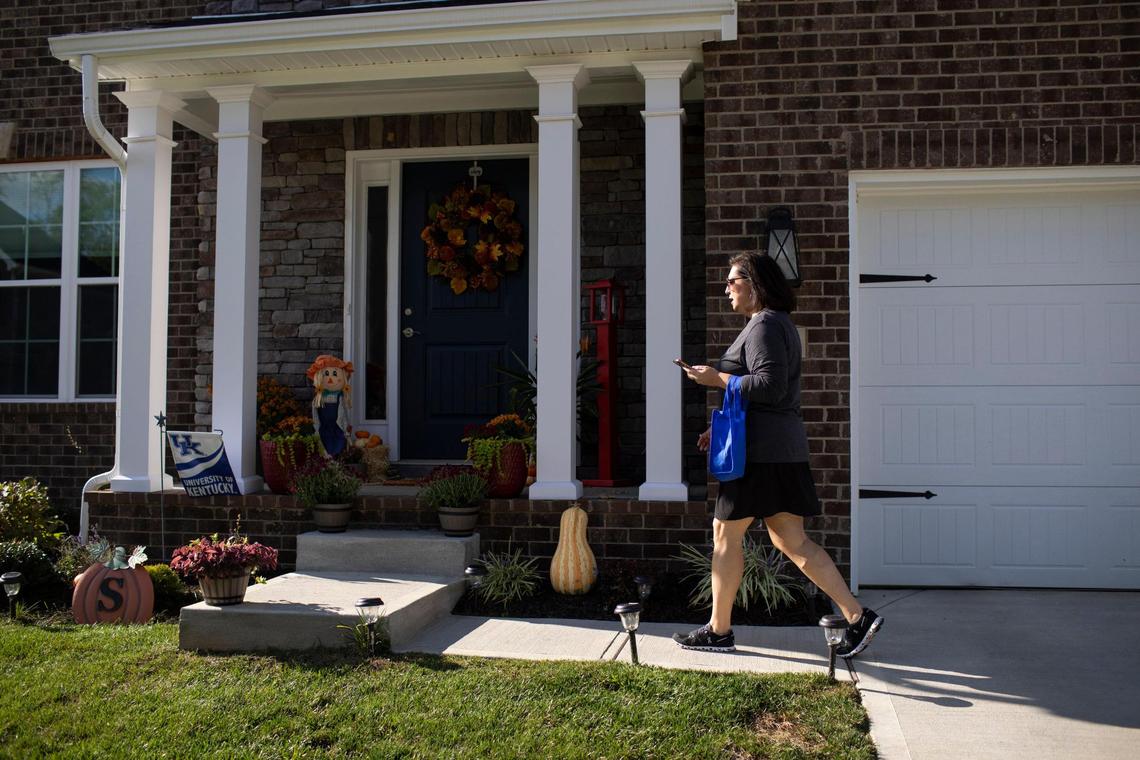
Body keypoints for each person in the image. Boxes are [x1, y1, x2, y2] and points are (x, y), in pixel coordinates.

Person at [672, 252, 883, 658]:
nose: (727, 289)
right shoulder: (773, 325)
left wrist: (716, 378)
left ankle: (719, 631)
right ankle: (857, 617)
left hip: (760, 455)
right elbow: (769, 396)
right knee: (792, 540)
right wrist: (718, 426)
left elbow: (770, 386)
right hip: (778, 449)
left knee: (725, 534)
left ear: (754, 283)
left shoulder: (765, 325)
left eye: (733, 281)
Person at [306, 354, 354, 458]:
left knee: (339, 444)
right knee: (324, 445)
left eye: (335, 374)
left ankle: (336, 460)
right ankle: (328, 460)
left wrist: (346, 427)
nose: (330, 378)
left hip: (337, 426)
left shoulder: (340, 397)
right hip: (324, 427)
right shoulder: (319, 398)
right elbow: (315, 414)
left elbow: (343, 413)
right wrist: (316, 428)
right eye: (326, 374)